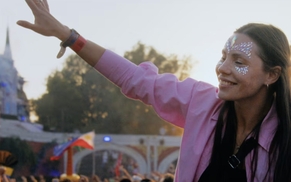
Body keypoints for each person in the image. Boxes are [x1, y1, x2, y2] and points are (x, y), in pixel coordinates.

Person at [17, 0, 291, 181]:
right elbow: (135, 78)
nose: (223, 68)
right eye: (223, 57)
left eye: (239, 62)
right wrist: (68, 36)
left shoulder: (285, 139)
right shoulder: (201, 102)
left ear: (272, 74)